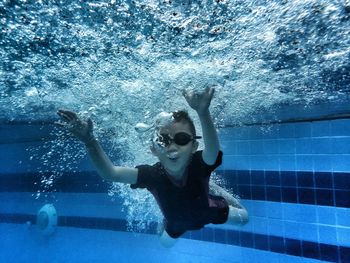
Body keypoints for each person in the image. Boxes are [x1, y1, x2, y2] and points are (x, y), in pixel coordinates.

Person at [57, 87, 248, 247]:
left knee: (244, 218)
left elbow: (213, 150)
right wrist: (90, 141)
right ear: (154, 149)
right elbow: (111, 173)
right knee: (164, 244)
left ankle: (214, 188)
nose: (172, 147)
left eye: (181, 139)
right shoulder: (151, 175)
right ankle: (174, 212)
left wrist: (202, 112)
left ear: (194, 147)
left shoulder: (199, 165)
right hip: (175, 223)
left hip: (209, 211)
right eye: (163, 140)